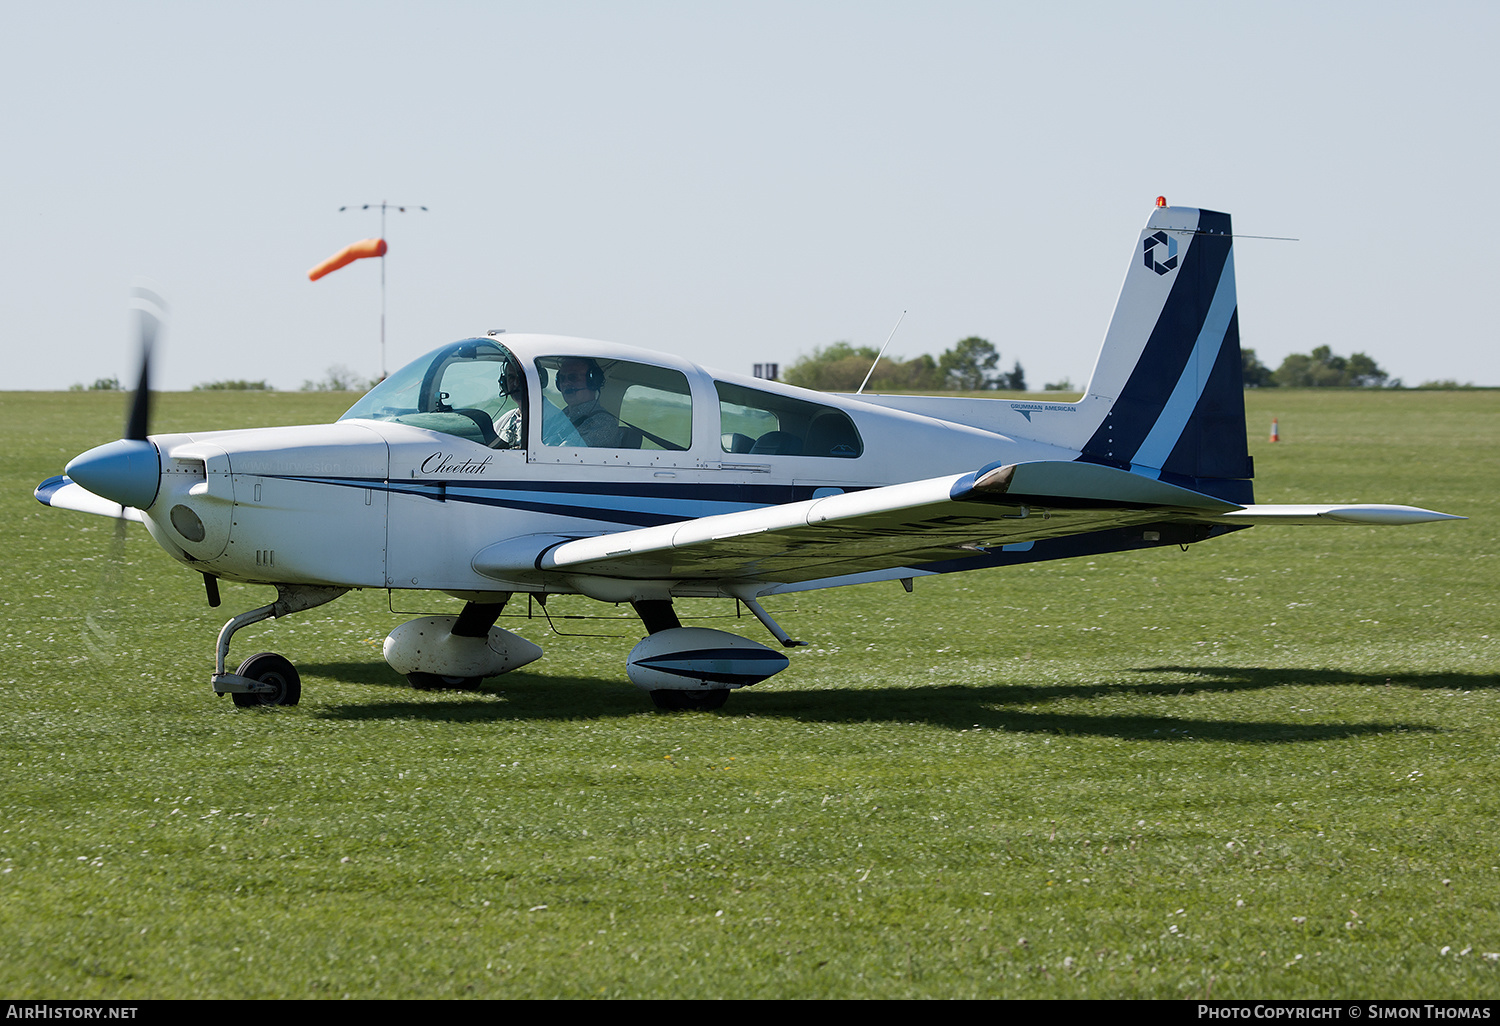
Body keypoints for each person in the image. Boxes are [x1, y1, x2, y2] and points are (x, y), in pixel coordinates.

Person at [550, 357, 622, 447]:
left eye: (573, 377)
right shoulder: (561, 416)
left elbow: (569, 454)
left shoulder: (604, 423)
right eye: (562, 378)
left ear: (593, 381)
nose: (565, 383)